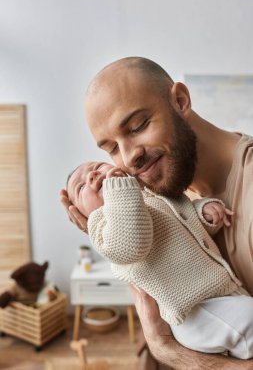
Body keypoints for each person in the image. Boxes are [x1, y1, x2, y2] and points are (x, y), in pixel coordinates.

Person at [60, 57, 253, 364]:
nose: (128, 158)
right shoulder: (162, 184)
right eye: (110, 148)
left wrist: (167, 349)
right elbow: (139, 252)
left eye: (138, 126)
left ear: (180, 100)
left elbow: (185, 221)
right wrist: (105, 224)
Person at [66, 160, 253, 359]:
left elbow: (184, 224)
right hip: (193, 312)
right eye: (81, 186)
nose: (92, 175)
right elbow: (131, 244)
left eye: (97, 167)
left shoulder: (150, 194)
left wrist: (203, 213)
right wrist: (118, 188)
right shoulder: (101, 225)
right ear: (82, 213)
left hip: (218, 295)